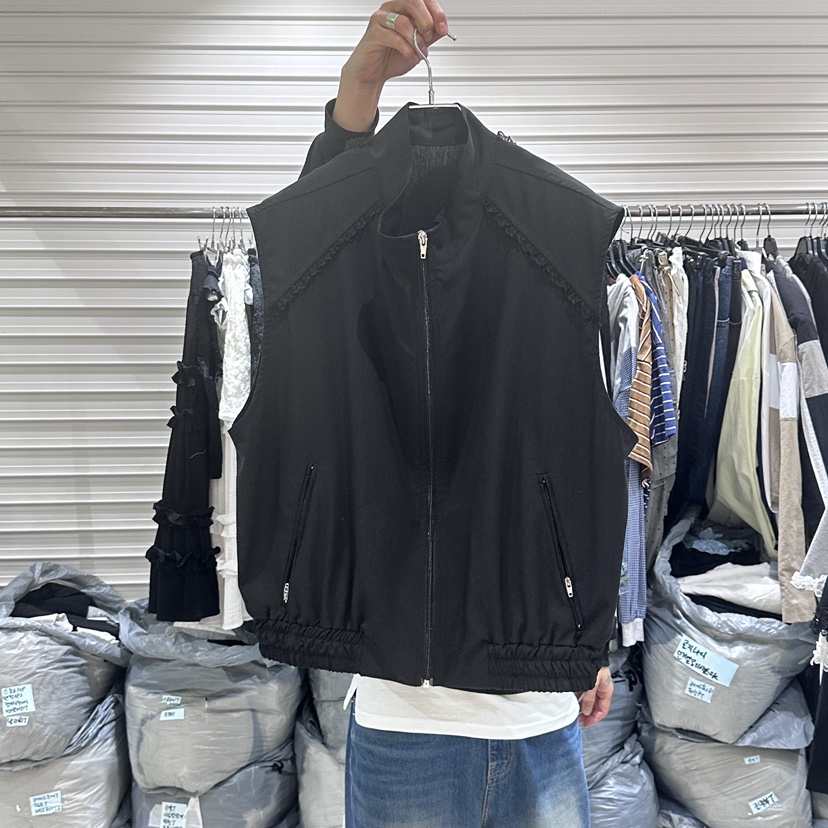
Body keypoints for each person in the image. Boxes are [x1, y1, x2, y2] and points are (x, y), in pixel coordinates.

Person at [294, 3, 617, 826]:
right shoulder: (342, 259)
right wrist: (356, 93)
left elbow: (584, 451)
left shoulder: (561, 230)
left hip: (536, 705)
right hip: (402, 714)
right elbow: (318, 230)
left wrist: (586, 632)